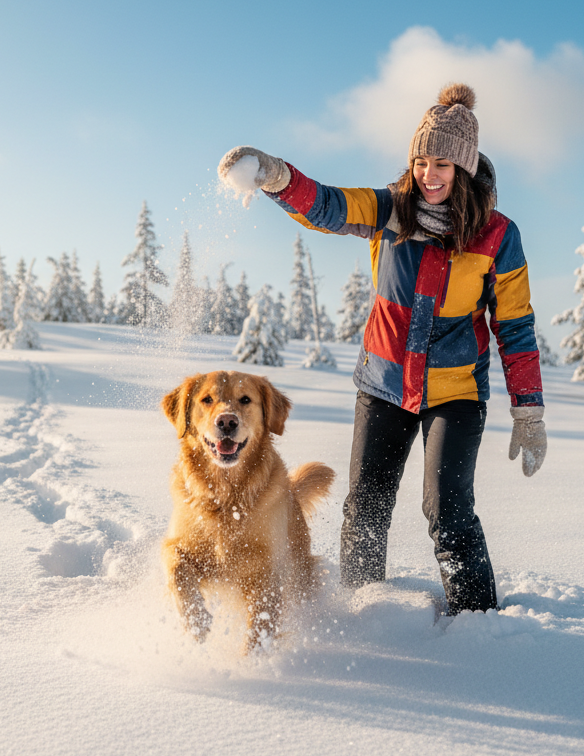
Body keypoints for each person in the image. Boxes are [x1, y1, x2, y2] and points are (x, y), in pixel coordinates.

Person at [217, 83, 546, 615]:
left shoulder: (496, 235)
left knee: (449, 508)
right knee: (366, 507)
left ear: (461, 167)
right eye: (420, 161)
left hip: (456, 391)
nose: (428, 174)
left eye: (441, 163)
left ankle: (478, 622)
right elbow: (326, 204)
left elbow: (515, 325)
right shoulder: (391, 211)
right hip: (385, 384)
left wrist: (528, 409)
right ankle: (360, 608)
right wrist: (277, 176)